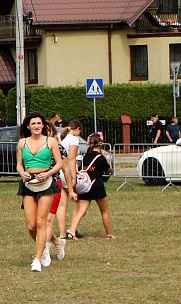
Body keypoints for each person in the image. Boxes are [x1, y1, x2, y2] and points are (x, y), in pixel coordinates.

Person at [15, 112, 64, 272]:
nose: (36, 126)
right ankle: (43, 246)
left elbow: (59, 163)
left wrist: (48, 173)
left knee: (41, 222)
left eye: (39, 123)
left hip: (46, 182)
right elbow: (19, 164)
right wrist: (21, 172)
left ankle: (37, 258)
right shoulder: (22, 142)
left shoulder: (51, 141)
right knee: (31, 225)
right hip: (28, 183)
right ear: (28, 126)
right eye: (33, 123)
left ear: (43, 125)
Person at [68, 132, 114, 239]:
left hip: (85, 185)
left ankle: (72, 231)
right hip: (96, 185)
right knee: (104, 210)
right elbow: (109, 168)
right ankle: (109, 234)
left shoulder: (85, 156)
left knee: (81, 211)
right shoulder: (100, 157)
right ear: (100, 145)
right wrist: (103, 155)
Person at [53, 119, 83, 250]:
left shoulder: (61, 137)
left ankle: (62, 233)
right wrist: (73, 176)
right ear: (76, 129)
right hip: (67, 172)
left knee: (61, 204)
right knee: (79, 202)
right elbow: (71, 158)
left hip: (58, 171)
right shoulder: (74, 140)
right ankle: (73, 229)